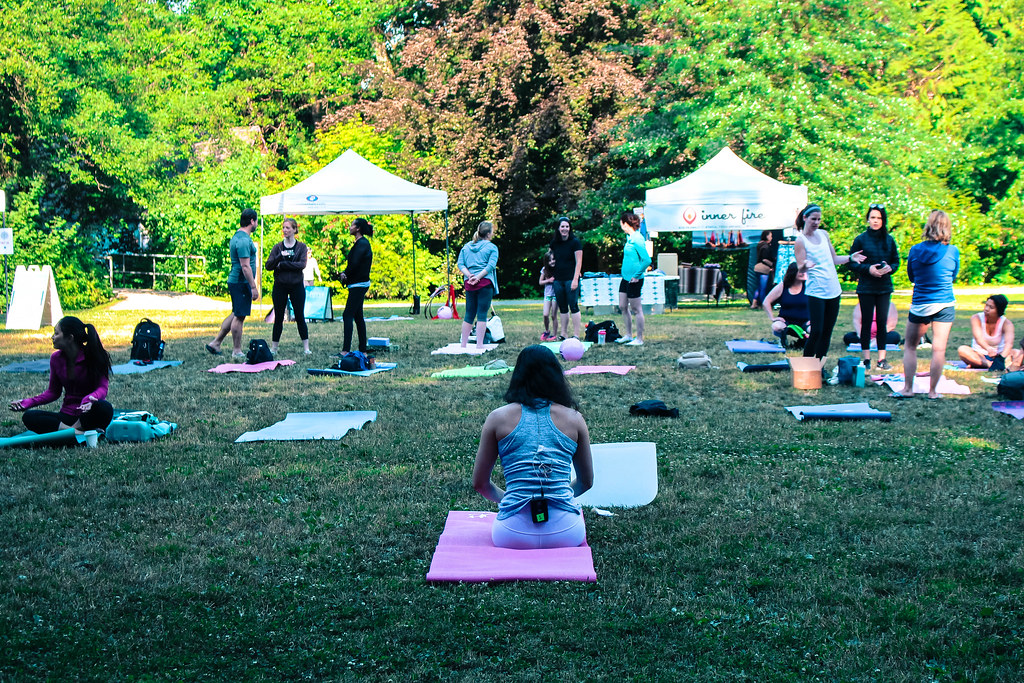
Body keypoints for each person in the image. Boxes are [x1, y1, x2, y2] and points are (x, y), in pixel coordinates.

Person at [472, 345, 594, 549]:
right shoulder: (575, 419)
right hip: (567, 532)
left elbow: (480, 484)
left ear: (518, 376)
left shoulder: (497, 418)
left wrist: (515, 499)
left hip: (511, 534)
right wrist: (555, 497)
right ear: (556, 377)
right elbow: (586, 482)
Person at [9, 316, 114, 438]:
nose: (52, 337)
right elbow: (53, 392)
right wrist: (28, 402)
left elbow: (102, 388)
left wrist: (90, 400)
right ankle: (77, 433)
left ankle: (67, 434)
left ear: (70, 338)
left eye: (56, 333)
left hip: (88, 413)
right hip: (67, 416)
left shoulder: (96, 356)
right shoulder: (56, 359)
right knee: (29, 416)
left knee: (105, 407)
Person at [896, 210, 960, 399]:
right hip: (944, 303)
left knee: (910, 346)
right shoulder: (953, 250)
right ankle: (933, 391)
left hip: (920, 304)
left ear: (928, 226)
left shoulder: (915, 250)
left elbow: (911, 276)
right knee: (939, 349)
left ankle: (908, 389)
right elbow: (953, 276)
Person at [793, 204, 863, 373]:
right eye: (813, 219)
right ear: (805, 218)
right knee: (816, 331)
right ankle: (806, 366)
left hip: (833, 289)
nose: (816, 222)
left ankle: (819, 366)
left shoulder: (824, 234)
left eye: (819, 219)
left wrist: (850, 258)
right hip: (816, 290)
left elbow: (833, 259)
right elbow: (800, 268)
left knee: (827, 332)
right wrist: (805, 266)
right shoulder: (800, 241)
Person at [849, 203, 901, 370]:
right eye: (872, 217)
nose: (875, 221)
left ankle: (882, 359)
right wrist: (868, 269)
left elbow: (896, 261)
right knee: (865, 322)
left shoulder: (889, 240)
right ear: (868, 219)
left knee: (881, 322)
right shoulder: (860, 239)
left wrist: (890, 268)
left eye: (879, 218)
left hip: (884, 286)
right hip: (866, 286)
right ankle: (866, 358)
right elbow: (852, 263)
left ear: (883, 220)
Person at [207, 208, 260, 359]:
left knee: (236, 313)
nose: (256, 224)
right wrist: (253, 287)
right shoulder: (243, 240)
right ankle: (236, 350)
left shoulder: (237, 236)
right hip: (240, 282)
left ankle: (216, 343)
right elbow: (245, 266)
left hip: (237, 281)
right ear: (251, 221)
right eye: (256, 221)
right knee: (240, 316)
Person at [265, 218, 310, 355]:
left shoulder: (301, 247)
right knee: (278, 317)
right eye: (283, 227)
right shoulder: (278, 247)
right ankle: (274, 348)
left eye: (288, 228)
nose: (285, 230)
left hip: (296, 286)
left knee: (299, 316)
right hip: (280, 286)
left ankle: (306, 348)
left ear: (295, 230)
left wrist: (283, 265)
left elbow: (301, 265)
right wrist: (279, 258)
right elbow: (269, 266)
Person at [457, 221, 499, 349]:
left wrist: (469, 276)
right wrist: (479, 277)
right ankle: (479, 345)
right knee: (482, 314)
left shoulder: (466, 247)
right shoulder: (492, 248)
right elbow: (490, 266)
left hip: (469, 284)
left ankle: (463, 344)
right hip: (485, 283)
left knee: (469, 313)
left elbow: (460, 264)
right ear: (488, 233)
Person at [957, 294, 1022, 371]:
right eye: (986, 305)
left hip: (1000, 355)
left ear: (999, 310)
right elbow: (979, 338)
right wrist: (989, 349)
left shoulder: (1007, 324)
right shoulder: (976, 318)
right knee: (962, 350)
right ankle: (991, 365)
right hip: (980, 355)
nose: (986, 309)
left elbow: (1009, 344)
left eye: (991, 307)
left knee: (1018, 353)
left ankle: (985, 364)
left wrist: (1001, 357)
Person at [615, 211, 652, 346]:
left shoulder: (637, 238)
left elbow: (647, 260)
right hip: (625, 278)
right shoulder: (629, 238)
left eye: (621, 222)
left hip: (634, 279)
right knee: (622, 306)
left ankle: (640, 338)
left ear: (625, 223)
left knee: (637, 309)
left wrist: (637, 276)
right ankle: (628, 335)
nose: (620, 225)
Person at [340, 218, 374, 353]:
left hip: (359, 284)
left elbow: (354, 263)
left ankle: (345, 350)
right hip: (356, 284)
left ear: (358, 228)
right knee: (358, 316)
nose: (350, 227)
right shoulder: (359, 243)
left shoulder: (362, 244)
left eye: (352, 225)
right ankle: (363, 349)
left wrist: (345, 273)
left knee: (347, 314)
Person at [549, 217, 584, 340]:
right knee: (562, 307)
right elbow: (549, 259)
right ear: (558, 228)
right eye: (562, 226)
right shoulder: (554, 243)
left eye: (567, 226)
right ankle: (563, 334)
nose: (564, 229)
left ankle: (576, 335)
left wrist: (575, 280)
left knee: (573, 306)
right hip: (558, 279)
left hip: (570, 279)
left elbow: (578, 262)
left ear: (570, 228)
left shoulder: (575, 242)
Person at [762, 262, 811, 348]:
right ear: (793, 272)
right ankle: (783, 340)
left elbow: (821, 304)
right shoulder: (783, 286)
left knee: (816, 329)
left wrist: (815, 319)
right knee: (777, 326)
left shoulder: (809, 286)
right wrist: (772, 318)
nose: (804, 273)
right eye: (801, 271)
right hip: (786, 321)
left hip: (805, 322)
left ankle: (804, 341)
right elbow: (766, 302)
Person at [751, 231, 775, 309]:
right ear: (767, 236)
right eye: (770, 236)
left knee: (759, 287)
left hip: (758, 268)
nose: (771, 238)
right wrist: (771, 265)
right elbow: (764, 259)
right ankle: (764, 305)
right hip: (763, 269)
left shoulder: (760, 245)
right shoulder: (765, 246)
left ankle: (754, 303)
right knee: (763, 288)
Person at [539, 250, 557, 341]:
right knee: (545, 314)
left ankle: (554, 334)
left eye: (553, 259)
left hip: (556, 295)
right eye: (549, 260)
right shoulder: (544, 270)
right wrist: (548, 280)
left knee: (554, 315)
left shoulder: (558, 268)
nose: (552, 262)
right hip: (548, 294)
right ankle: (547, 331)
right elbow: (540, 282)